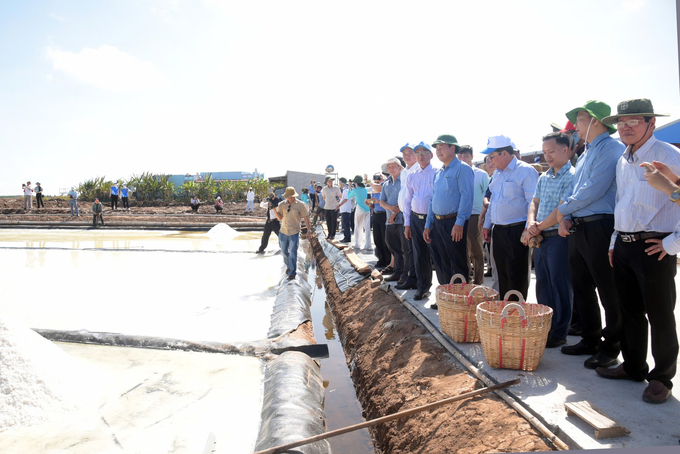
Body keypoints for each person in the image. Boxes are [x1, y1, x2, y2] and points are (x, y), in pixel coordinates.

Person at [594, 98, 679, 404]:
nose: (626, 127)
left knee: (660, 314)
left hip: (655, 246)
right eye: (621, 122)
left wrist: (671, 244)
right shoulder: (623, 159)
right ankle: (633, 366)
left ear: (651, 123)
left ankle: (661, 377)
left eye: (634, 121)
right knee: (629, 311)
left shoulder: (669, 155)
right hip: (626, 244)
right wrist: (616, 240)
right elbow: (623, 203)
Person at [555, 100, 624, 370]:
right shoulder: (583, 154)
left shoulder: (612, 149)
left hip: (600, 225)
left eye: (581, 120)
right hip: (580, 226)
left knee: (608, 290)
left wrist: (563, 211)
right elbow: (575, 189)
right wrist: (568, 217)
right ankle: (590, 338)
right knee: (582, 286)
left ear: (596, 121)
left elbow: (594, 189)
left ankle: (611, 347)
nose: (576, 126)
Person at [524, 132, 575, 348]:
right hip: (541, 238)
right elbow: (534, 202)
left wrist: (536, 228)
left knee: (560, 285)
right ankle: (546, 325)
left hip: (558, 237)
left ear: (565, 150)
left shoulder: (572, 176)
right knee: (543, 285)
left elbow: (560, 211)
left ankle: (559, 331)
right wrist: (531, 222)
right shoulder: (544, 177)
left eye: (551, 151)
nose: (547, 156)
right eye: (545, 152)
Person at [481, 135, 538, 300]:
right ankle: (505, 310)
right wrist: (487, 224)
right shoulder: (497, 175)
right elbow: (494, 203)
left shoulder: (525, 171)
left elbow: (533, 203)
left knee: (517, 275)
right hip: (498, 231)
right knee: (502, 274)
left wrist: (528, 229)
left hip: (517, 230)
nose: (489, 160)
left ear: (504, 153)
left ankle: (517, 312)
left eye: (492, 156)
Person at [424, 134, 474, 287]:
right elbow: (433, 199)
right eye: (437, 149)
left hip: (454, 222)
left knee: (457, 262)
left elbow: (467, 197)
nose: (438, 151)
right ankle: (447, 298)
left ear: (453, 148)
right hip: (438, 223)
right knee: (443, 261)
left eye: (441, 147)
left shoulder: (463, 169)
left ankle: (459, 300)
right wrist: (428, 224)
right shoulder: (438, 173)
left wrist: (459, 223)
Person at [403, 142, 437, 301]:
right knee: (419, 254)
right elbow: (408, 201)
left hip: (434, 221)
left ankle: (443, 292)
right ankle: (423, 287)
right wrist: (407, 224)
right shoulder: (412, 175)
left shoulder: (437, 173)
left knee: (437, 255)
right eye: (418, 153)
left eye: (424, 153)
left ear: (431, 154)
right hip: (416, 220)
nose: (421, 156)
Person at [456, 145, 490, 285]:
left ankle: (478, 282)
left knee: (476, 251)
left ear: (472, 157)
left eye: (466, 156)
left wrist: (483, 217)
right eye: (461, 156)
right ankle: (466, 282)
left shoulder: (481, 174)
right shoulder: (456, 173)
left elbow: (488, 195)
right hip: (459, 217)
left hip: (475, 215)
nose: (463, 159)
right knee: (462, 251)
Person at [274, 187, 311, 280]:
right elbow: (279, 218)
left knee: (293, 252)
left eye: (293, 197)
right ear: (286, 197)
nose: (291, 199)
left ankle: (292, 273)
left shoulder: (300, 205)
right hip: (283, 232)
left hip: (294, 232)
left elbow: (306, 217)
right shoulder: (281, 205)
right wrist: (273, 210)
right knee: (284, 252)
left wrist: (309, 230)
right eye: (289, 197)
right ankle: (289, 266)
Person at [380, 157, 407, 283]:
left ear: (399, 168)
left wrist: (394, 213)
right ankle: (398, 271)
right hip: (390, 221)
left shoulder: (404, 181)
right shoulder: (386, 184)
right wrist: (390, 209)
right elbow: (381, 201)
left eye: (393, 166)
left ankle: (405, 274)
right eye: (389, 167)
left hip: (402, 220)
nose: (391, 169)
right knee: (392, 245)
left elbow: (406, 200)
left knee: (405, 248)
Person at [397, 143, 418, 289]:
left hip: (417, 215)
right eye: (404, 154)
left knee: (417, 250)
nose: (406, 156)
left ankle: (417, 280)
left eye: (410, 152)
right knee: (409, 248)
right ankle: (410, 276)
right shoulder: (404, 172)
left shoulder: (419, 170)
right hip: (406, 215)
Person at [368, 174, 391, 269]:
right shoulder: (373, 191)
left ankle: (388, 261)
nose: (378, 180)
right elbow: (373, 205)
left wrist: (378, 202)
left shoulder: (385, 187)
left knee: (384, 238)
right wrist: (370, 204)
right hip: (376, 214)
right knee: (377, 239)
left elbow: (387, 202)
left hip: (384, 214)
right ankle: (381, 260)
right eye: (376, 179)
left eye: (380, 178)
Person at [348, 175, 372, 251]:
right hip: (367, 208)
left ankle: (357, 244)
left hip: (359, 208)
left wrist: (349, 188)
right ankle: (368, 245)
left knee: (358, 227)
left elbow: (349, 196)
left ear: (355, 182)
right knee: (367, 228)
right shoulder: (365, 189)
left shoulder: (355, 190)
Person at [338, 178, 353, 243]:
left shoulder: (346, 190)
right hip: (344, 209)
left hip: (346, 210)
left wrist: (339, 205)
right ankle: (346, 237)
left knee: (346, 224)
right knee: (344, 224)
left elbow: (346, 199)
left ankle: (347, 238)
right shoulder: (345, 190)